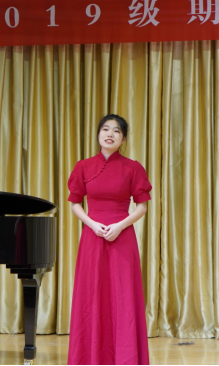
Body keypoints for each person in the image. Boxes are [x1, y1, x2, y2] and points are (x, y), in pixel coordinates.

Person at [67, 115, 151, 365]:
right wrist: (92, 224)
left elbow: (142, 207)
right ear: (98, 135)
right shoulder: (83, 166)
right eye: (105, 129)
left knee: (123, 296)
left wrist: (120, 225)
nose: (110, 134)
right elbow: (74, 203)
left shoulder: (133, 167)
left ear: (123, 139)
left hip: (122, 237)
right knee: (92, 295)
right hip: (92, 237)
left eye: (116, 131)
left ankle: (125, 358)